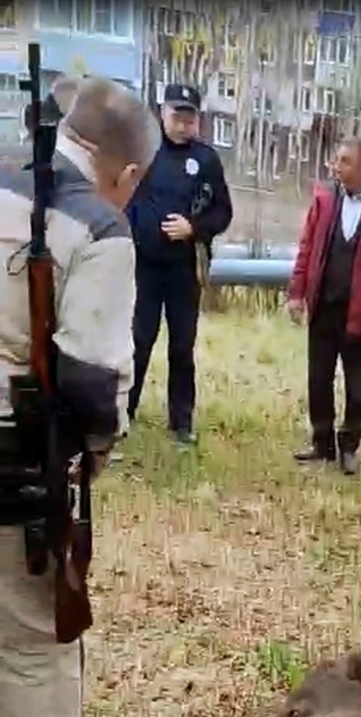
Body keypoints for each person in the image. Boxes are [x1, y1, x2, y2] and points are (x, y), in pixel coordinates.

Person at [0, 76, 160, 717]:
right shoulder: (99, 229)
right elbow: (93, 381)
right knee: (35, 629)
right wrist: (95, 449)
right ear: (125, 172)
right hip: (14, 448)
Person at [286, 136, 361, 476]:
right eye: (336, 160)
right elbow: (307, 246)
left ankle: (349, 446)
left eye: (344, 161)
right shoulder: (325, 199)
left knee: (357, 387)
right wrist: (297, 292)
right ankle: (321, 443)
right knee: (318, 379)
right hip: (324, 305)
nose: (335, 167)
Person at [126, 83, 233, 446]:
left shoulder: (206, 160)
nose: (183, 124)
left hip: (184, 270)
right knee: (138, 341)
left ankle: (181, 421)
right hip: (144, 266)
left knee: (181, 346)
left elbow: (223, 212)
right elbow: (121, 196)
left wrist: (194, 228)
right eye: (177, 116)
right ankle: (124, 411)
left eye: (190, 117)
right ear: (162, 113)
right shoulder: (143, 151)